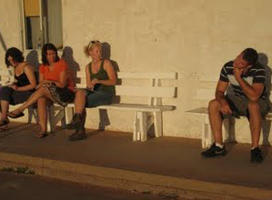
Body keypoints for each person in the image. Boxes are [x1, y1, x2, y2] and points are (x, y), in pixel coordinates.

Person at [201, 48, 269, 163]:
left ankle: (255, 149)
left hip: (259, 103)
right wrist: (222, 102)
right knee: (214, 104)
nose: (237, 63)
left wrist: (238, 78)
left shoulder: (259, 70)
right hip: (238, 100)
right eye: (238, 57)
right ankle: (218, 146)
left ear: (249, 66)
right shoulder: (228, 67)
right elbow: (219, 91)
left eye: (241, 63)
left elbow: (254, 97)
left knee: (253, 106)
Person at [8, 43, 75, 138]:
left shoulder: (61, 64)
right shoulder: (43, 67)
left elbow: (62, 84)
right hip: (50, 94)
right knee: (41, 100)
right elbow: (39, 84)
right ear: (45, 55)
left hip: (65, 94)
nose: (53, 56)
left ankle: (21, 109)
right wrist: (45, 83)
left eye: (54, 53)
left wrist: (48, 82)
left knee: (44, 89)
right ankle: (43, 130)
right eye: (49, 54)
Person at [67, 40, 116, 141]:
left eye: (100, 51)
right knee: (80, 93)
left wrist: (99, 81)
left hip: (106, 93)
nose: (100, 53)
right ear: (90, 52)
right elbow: (89, 86)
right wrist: (84, 88)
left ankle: (80, 130)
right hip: (95, 92)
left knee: (81, 102)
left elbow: (113, 81)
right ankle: (77, 121)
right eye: (97, 51)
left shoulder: (106, 63)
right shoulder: (88, 67)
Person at [0, 47, 37, 131]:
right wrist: (12, 84)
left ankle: (4, 120)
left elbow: (33, 85)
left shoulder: (26, 67)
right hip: (21, 91)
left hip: (30, 92)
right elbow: (20, 80)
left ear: (17, 57)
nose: (11, 62)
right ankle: (4, 119)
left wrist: (18, 88)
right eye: (9, 61)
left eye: (13, 60)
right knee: (2, 90)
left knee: (3, 95)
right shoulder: (15, 67)